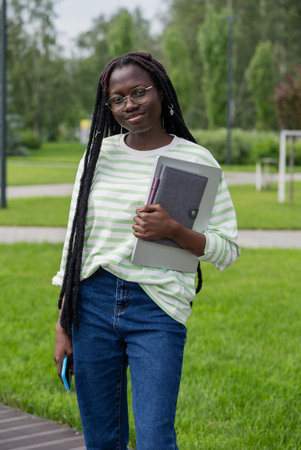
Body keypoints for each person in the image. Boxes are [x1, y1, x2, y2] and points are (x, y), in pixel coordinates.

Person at [53, 51, 240, 450]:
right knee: (102, 438)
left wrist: (173, 229)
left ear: (161, 91)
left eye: (138, 92)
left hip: (157, 308)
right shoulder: (97, 155)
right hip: (92, 304)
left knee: (155, 437)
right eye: (117, 98)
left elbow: (227, 249)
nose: (129, 104)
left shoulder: (195, 159)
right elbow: (76, 242)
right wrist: (64, 320)